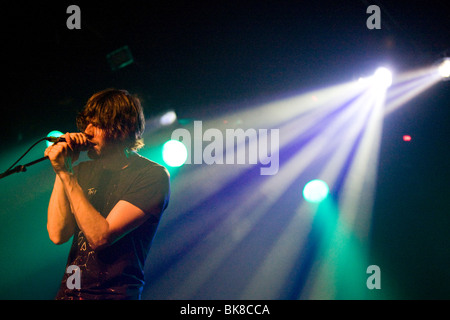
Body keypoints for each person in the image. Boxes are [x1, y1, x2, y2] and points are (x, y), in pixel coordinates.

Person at [45, 88, 170, 300]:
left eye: (98, 125)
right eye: (87, 123)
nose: (87, 131)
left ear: (123, 128)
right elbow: (58, 234)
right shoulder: (81, 172)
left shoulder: (152, 176)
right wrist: (62, 170)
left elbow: (101, 236)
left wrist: (66, 173)